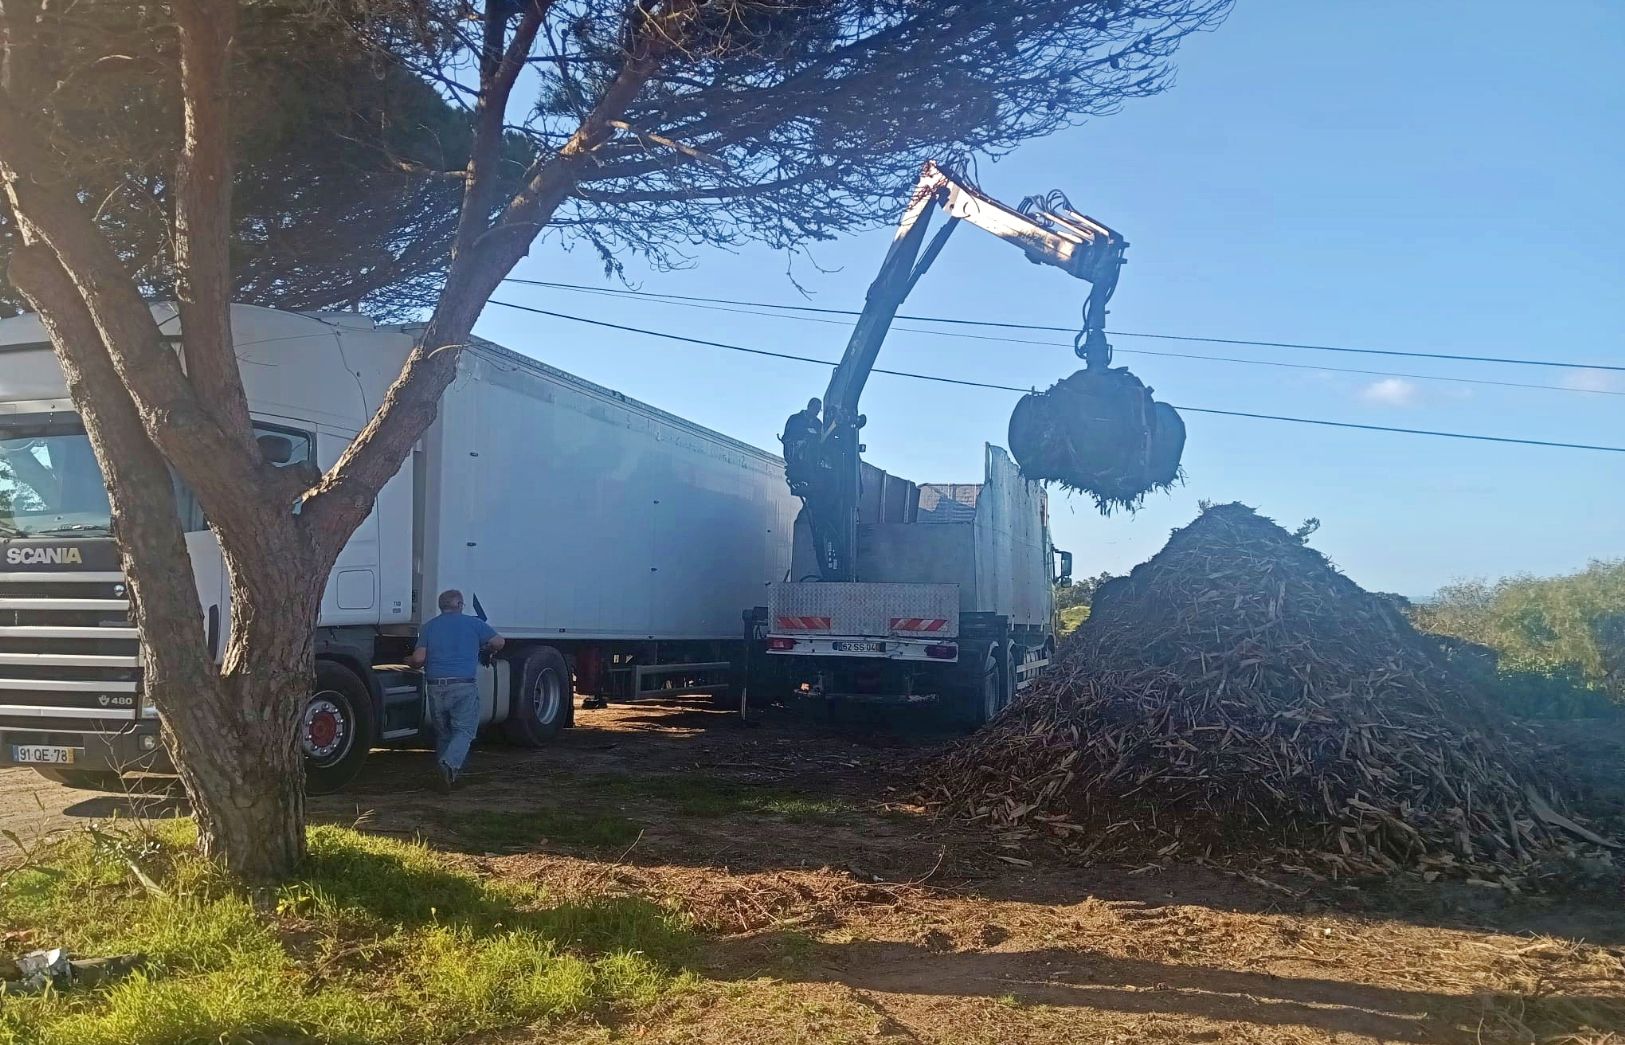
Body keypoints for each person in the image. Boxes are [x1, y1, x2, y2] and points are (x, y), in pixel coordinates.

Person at [408, 589, 504, 792]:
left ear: (441, 606)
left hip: (435, 687)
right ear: (459, 605)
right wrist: (487, 649)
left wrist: (406, 661)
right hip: (463, 685)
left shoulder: (429, 627)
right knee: (465, 731)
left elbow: (418, 659)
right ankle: (449, 764)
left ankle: (448, 778)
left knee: (443, 734)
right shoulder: (474, 624)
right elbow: (499, 642)